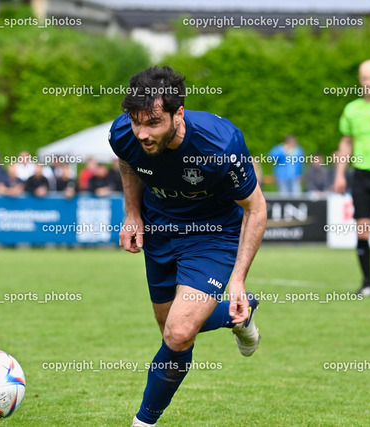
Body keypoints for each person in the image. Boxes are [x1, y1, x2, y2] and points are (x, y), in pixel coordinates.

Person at [109, 66, 266, 427]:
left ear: (178, 113)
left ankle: (143, 421)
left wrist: (238, 279)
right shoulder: (124, 133)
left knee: (179, 333)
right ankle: (233, 315)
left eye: (153, 123)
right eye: (136, 122)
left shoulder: (220, 143)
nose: (142, 134)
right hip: (160, 233)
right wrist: (133, 214)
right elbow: (128, 162)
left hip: (212, 236)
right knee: (169, 327)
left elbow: (255, 209)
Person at [333, 59, 370, 297]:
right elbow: (346, 142)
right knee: (362, 230)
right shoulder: (352, 109)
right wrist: (340, 174)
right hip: (361, 175)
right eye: (365, 79)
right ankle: (367, 283)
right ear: (360, 81)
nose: (368, 83)